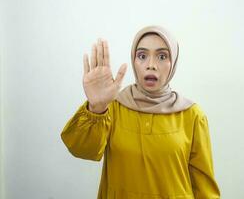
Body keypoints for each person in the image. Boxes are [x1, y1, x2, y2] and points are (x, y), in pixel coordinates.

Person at [61, 25, 221, 199]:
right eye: (142, 56)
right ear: (133, 60)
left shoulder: (192, 115)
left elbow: (204, 189)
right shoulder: (113, 107)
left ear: (173, 62)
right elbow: (83, 150)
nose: (151, 65)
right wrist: (97, 107)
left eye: (162, 56)